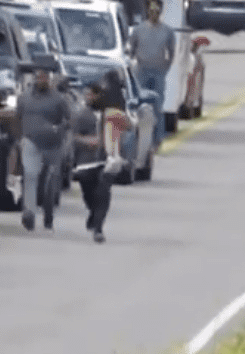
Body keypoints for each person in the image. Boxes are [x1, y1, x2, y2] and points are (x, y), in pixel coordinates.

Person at [16, 65, 69, 232]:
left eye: (44, 77)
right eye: (38, 77)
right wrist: (19, 138)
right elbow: (17, 118)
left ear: (49, 79)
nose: (41, 80)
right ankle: (29, 213)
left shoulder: (59, 99)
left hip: (53, 145)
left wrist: (59, 129)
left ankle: (48, 214)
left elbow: (68, 120)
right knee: (30, 176)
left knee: (50, 182)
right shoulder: (24, 98)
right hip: (31, 141)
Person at [72, 80, 118, 243]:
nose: (88, 98)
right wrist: (87, 141)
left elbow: (125, 129)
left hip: (108, 160)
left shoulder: (111, 114)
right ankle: (93, 213)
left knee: (103, 192)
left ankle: (98, 228)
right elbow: (74, 137)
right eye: (86, 95)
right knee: (89, 193)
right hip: (87, 161)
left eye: (91, 95)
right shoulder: (82, 115)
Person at [128, 0, 175, 149]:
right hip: (141, 72)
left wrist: (164, 68)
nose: (154, 13)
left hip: (158, 73)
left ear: (160, 11)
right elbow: (131, 50)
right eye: (151, 10)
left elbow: (171, 53)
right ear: (147, 11)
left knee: (157, 106)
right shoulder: (138, 30)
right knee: (139, 105)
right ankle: (138, 138)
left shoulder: (167, 31)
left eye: (157, 11)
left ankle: (157, 139)